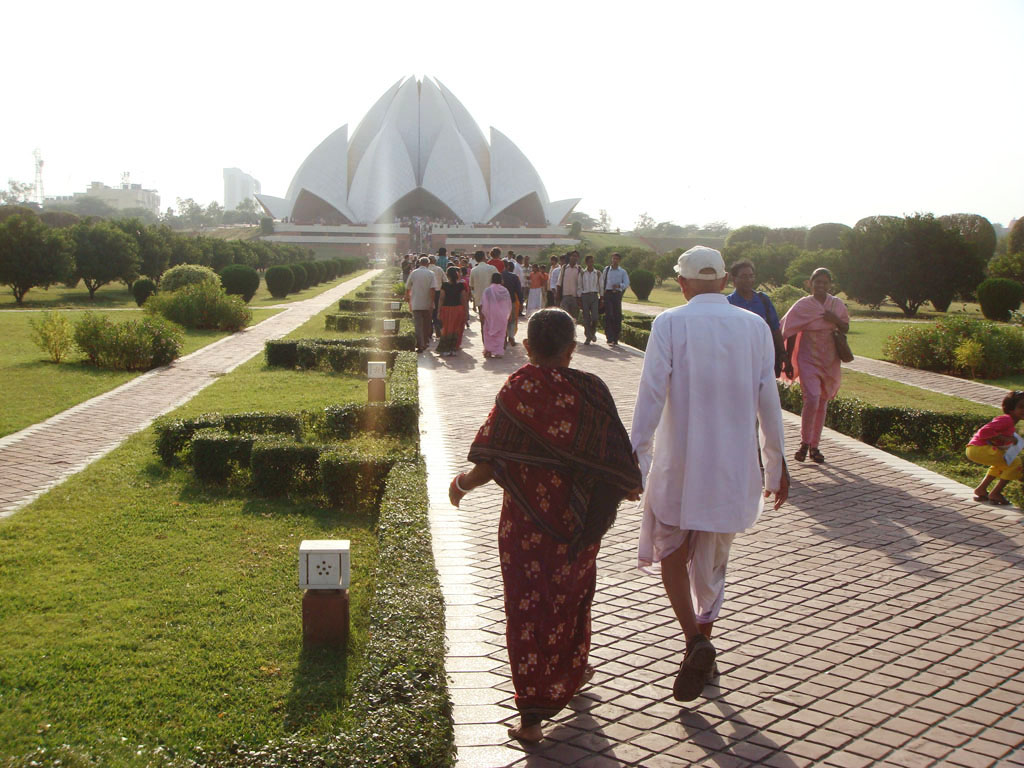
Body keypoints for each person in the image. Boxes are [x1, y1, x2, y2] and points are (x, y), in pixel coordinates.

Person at [448, 308, 642, 742]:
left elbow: (490, 462)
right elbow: (615, 457)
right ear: (572, 349)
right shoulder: (591, 389)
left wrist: (460, 485)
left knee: (527, 612)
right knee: (571, 601)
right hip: (578, 529)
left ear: (528, 347)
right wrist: (627, 486)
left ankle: (532, 718)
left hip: (526, 531)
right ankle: (573, 670)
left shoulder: (518, 389)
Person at [631, 246, 789, 703]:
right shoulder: (754, 326)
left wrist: (636, 460)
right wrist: (775, 468)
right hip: (732, 470)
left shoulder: (670, 323)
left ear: (681, 283)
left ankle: (694, 641)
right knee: (714, 564)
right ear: (723, 282)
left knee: (672, 555)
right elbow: (769, 404)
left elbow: (650, 396)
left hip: (678, 467)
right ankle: (702, 639)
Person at [779, 267, 850, 464]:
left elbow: (845, 326)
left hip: (830, 358)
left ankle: (815, 446)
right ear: (810, 284)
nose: (821, 285)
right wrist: (787, 360)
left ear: (831, 285)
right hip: (808, 357)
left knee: (823, 400)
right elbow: (789, 330)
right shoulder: (803, 305)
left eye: (825, 282)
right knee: (812, 397)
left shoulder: (836, 305)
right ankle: (804, 443)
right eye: (817, 281)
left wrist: (834, 319)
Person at [726, 260, 786, 378]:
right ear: (733, 279)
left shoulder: (763, 300)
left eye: (751, 276)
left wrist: (782, 353)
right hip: (738, 360)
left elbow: (774, 328)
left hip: (764, 357)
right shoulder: (728, 303)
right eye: (743, 276)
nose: (748, 280)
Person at [966, 390, 1024, 505]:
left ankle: (981, 489)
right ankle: (996, 493)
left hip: (976, 449)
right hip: (978, 448)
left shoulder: (1011, 422)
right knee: (1015, 462)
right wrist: (1004, 438)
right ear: (1011, 409)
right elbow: (983, 432)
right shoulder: (1006, 419)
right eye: (1022, 407)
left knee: (1002, 463)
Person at [405, 256, 436, 353]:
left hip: (416, 302)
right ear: (428, 263)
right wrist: (432, 302)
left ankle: (420, 344)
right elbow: (432, 289)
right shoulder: (431, 274)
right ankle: (425, 342)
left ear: (419, 263)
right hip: (427, 302)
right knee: (427, 324)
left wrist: (407, 297)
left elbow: (407, 287)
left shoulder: (414, 273)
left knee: (418, 325)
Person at [437, 266, 469, 356]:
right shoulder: (461, 285)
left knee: (446, 329)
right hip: (458, 309)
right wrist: (466, 311)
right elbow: (463, 299)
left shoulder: (445, 285)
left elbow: (441, 299)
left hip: (446, 309)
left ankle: (445, 348)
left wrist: (438, 311)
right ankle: (454, 348)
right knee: (456, 329)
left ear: (447, 275)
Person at [480, 272, 513, 358]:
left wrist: (484, 314)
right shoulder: (504, 290)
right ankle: (498, 351)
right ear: (501, 280)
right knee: (501, 333)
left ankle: (488, 351)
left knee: (488, 333)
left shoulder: (488, 290)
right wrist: (508, 315)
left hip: (490, 314)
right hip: (502, 315)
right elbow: (508, 304)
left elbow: (484, 304)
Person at [600, 252, 630, 347]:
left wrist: (619, 286)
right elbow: (602, 282)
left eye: (616, 259)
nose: (614, 260)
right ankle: (609, 337)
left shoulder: (622, 272)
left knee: (617, 316)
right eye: (613, 258)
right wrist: (602, 295)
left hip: (617, 294)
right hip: (608, 294)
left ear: (619, 260)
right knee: (609, 316)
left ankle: (616, 338)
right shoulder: (607, 270)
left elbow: (626, 283)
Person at [470, 250, 498, 328]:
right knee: (492, 321)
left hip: (480, 299)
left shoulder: (473, 270)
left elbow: (471, 286)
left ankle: (484, 339)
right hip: (492, 298)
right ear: (483, 257)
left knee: (483, 322)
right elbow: (499, 281)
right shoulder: (492, 268)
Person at [579, 254, 601, 345]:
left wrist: (602, 297)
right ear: (586, 262)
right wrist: (579, 298)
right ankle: (588, 336)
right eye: (589, 261)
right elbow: (579, 286)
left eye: (592, 261)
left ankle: (592, 332)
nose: (591, 263)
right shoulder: (582, 273)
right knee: (586, 318)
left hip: (594, 296)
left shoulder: (598, 273)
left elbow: (601, 285)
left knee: (595, 317)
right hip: (585, 296)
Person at [501, 259, 523, 346]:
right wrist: (521, 303)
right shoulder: (514, 277)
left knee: (503, 320)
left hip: (501, 303)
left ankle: (504, 338)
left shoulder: (498, 276)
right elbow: (519, 291)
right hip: (512, 301)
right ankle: (511, 337)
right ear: (508, 266)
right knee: (512, 320)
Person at [558, 251, 583, 322]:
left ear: (578, 258)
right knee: (564, 317)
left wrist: (580, 298)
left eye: (576, 256)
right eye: (573, 256)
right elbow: (559, 282)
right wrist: (558, 295)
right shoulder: (564, 268)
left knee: (574, 318)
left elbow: (581, 285)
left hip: (575, 298)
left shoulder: (579, 269)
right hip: (565, 297)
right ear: (569, 257)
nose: (574, 257)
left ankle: (573, 332)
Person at [427, 255, 446, 338]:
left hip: (427, 293)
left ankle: (429, 331)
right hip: (438, 292)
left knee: (428, 312)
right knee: (437, 311)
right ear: (434, 261)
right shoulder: (439, 269)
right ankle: (437, 329)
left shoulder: (426, 270)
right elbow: (445, 281)